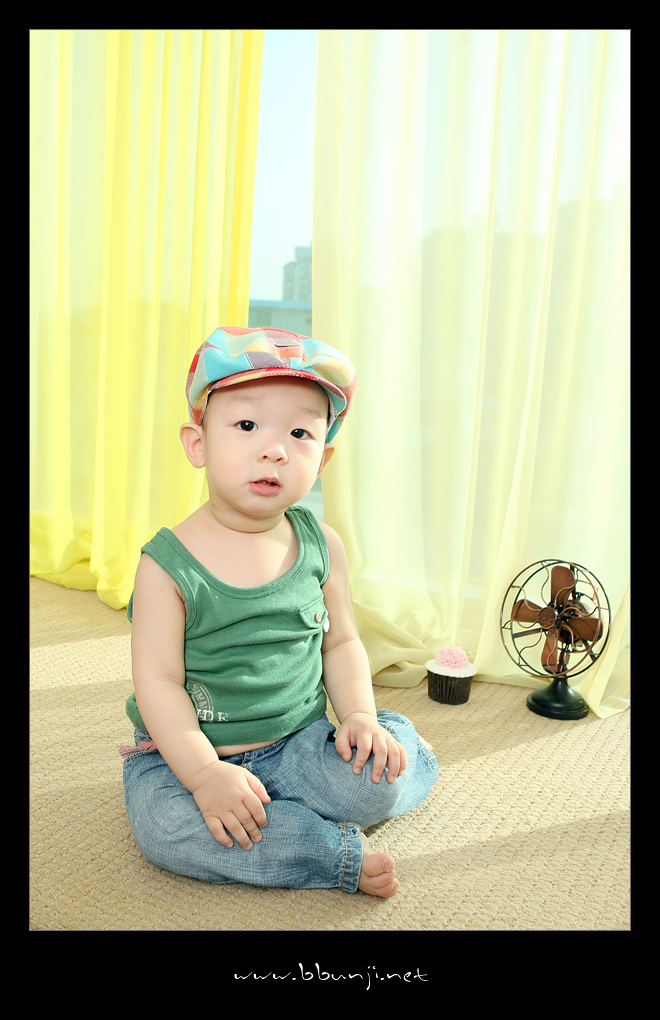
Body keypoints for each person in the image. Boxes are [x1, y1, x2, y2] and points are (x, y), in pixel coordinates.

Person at [121, 326, 439, 897]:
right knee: (165, 830)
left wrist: (360, 717)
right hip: (184, 754)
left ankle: (399, 746)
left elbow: (341, 642)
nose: (275, 449)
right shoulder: (165, 566)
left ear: (323, 459)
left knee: (375, 781)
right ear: (197, 444)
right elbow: (158, 683)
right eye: (247, 426)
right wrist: (205, 775)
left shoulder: (322, 544)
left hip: (298, 743)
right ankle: (330, 854)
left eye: (299, 433)